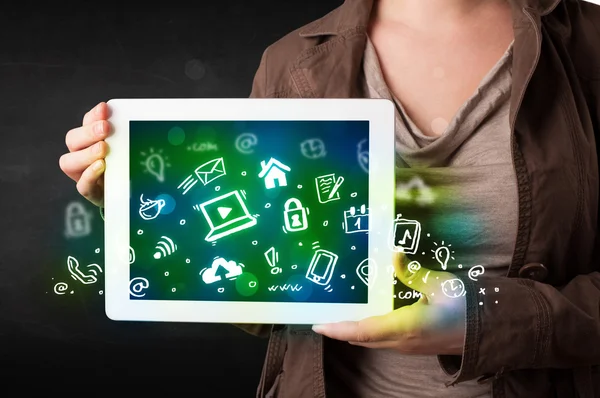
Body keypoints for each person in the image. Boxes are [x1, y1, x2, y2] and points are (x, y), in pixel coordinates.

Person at [59, 0, 600, 396]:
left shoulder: (589, 48)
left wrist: (478, 321)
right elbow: (268, 290)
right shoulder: (291, 63)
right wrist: (154, 215)